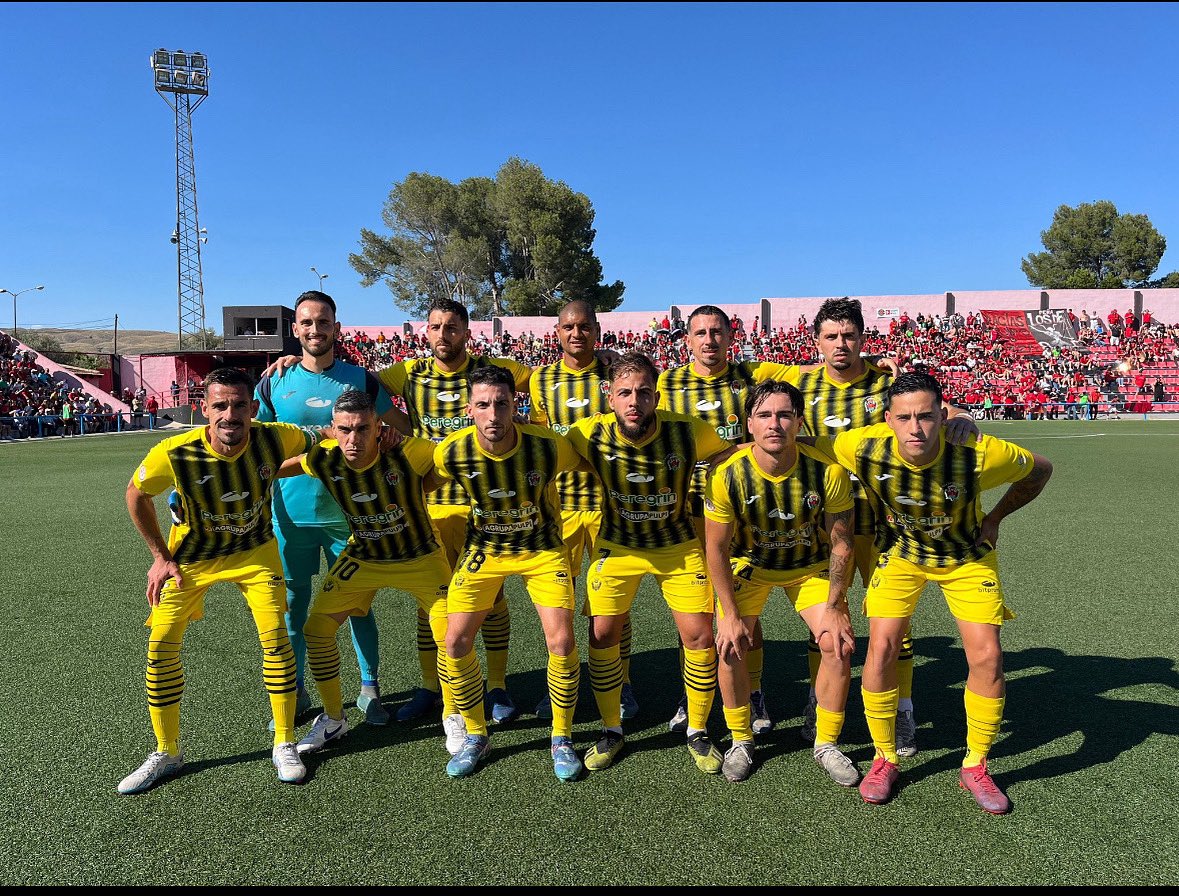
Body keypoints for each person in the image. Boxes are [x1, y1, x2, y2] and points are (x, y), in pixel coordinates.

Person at [820, 371, 1052, 813]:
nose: (915, 428)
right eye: (904, 417)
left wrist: (996, 517)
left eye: (926, 416)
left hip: (966, 558)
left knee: (987, 656)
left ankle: (976, 764)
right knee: (882, 649)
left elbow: (1040, 470)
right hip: (901, 556)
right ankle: (884, 758)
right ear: (887, 419)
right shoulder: (860, 446)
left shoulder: (980, 454)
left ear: (942, 416)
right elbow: (812, 443)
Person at [119, 366, 317, 794]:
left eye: (240, 405)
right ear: (203, 409)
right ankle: (167, 751)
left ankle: (284, 742)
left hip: (256, 553)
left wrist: (368, 437)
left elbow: (329, 437)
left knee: (275, 639)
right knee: (160, 646)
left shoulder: (275, 436)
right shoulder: (174, 452)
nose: (231, 415)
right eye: (220, 405)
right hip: (191, 560)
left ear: (253, 408)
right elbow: (136, 494)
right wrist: (159, 555)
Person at [796, 297, 978, 755]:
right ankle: (819, 703)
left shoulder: (886, 382)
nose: (841, 344)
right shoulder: (800, 382)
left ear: (862, 338)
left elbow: (943, 411)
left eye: (849, 336)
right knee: (824, 617)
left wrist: (964, 419)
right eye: (831, 336)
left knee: (893, 624)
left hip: (885, 522)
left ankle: (903, 709)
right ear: (816, 342)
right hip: (828, 521)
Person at [566, 353, 735, 775]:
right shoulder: (586, 433)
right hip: (616, 545)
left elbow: (729, 455)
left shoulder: (687, 430)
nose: (634, 400)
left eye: (643, 392)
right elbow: (538, 446)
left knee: (698, 636)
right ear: (609, 396)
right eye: (624, 392)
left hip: (676, 546)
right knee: (603, 632)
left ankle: (697, 729)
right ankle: (612, 729)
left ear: (656, 396)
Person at [273, 390, 456, 761]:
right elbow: (265, 471)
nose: (353, 439)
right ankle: (334, 716)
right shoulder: (321, 458)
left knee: (450, 635)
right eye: (344, 430)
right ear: (332, 430)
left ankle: (454, 715)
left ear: (378, 428)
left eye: (362, 429)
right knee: (317, 629)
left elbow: (454, 457)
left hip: (420, 556)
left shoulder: (410, 451)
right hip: (365, 555)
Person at [256, 291, 406, 728]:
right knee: (293, 607)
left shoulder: (360, 379)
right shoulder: (274, 382)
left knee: (358, 605)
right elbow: (258, 444)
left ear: (336, 328)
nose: (315, 330)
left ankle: (369, 688)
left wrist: (388, 444)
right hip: (291, 517)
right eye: (306, 322)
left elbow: (399, 427)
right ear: (295, 329)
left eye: (323, 322)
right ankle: (296, 690)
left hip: (350, 516)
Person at [433, 365, 589, 781]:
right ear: (469, 409)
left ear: (515, 405)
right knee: (455, 641)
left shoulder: (547, 446)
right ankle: (477, 734)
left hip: (542, 549)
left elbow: (593, 459)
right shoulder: (450, 451)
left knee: (561, 640)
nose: (493, 414)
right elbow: (417, 475)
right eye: (483, 404)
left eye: (501, 403)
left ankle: (561, 736)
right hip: (485, 550)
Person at [656, 304, 801, 736]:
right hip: (686, 510)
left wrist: (872, 362)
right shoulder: (667, 383)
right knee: (698, 613)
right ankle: (693, 693)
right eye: (700, 332)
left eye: (717, 332)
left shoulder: (750, 376)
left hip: (741, 509)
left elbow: (815, 369)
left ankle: (753, 691)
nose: (709, 340)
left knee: (742, 610)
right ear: (687, 340)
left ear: (730, 335)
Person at [705, 381, 858, 786]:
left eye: (785, 414)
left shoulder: (827, 473)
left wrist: (836, 606)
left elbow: (841, 545)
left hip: (807, 568)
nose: (775, 424)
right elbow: (716, 550)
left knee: (837, 642)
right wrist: (729, 616)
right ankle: (741, 738)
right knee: (730, 642)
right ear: (749, 425)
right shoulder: (727, 476)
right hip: (749, 567)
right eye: (765, 415)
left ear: (799, 422)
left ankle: (826, 742)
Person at [528, 300, 640, 721]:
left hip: (611, 508)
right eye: (569, 327)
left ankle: (623, 682)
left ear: (597, 330)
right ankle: (563, 682)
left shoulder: (615, 375)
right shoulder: (542, 380)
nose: (577, 334)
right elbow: (540, 438)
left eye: (585, 327)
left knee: (611, 606)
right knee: (559, 604)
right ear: (557, 332)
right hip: (559, 511)